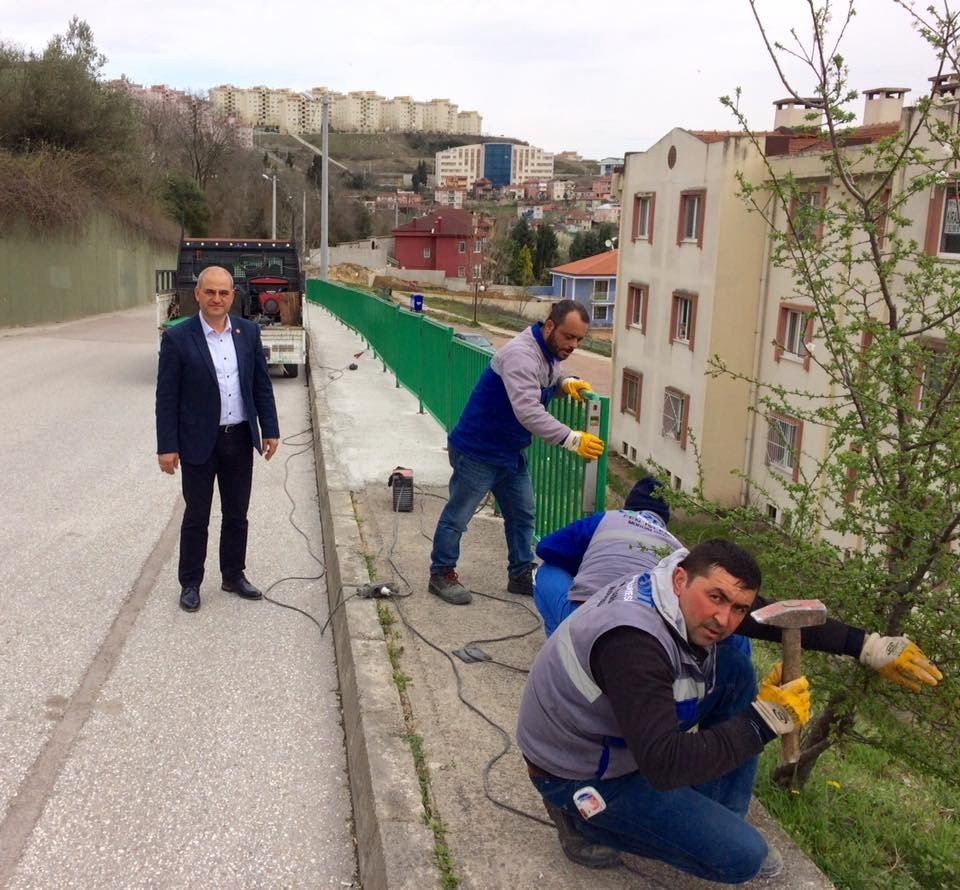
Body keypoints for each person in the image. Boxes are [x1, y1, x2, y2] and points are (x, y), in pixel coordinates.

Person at [517, 539, 944, 882]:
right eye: (716, 598)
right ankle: (581, 820)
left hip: (614, 736)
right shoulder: (635, 643)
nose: (724, 619)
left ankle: (718, 814)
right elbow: (664, 765)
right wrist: (764, 721)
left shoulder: (679, 585)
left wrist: (866, 645)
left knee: (735, 667)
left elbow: (780, 616)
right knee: (742, 859)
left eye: (738, 607)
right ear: (683, 580)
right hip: (577, 770)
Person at [428, 299, 603, 605]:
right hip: (478, 450)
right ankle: (441, 573)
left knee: (522, 513)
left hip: (509, 450)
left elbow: (543, 383)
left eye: (579, 339)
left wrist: (565, 383)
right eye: (568, 337)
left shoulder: (548, 351)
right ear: (549, 326)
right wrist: (572, 439)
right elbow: (528, 411)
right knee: (459, 515)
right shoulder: (522, 355)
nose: (573, 345)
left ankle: (520, 573)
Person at [156, 265, 280, 613]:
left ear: (232, 296)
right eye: (210, 292)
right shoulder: (179, 338)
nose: (217, 299)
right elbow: (166, 398)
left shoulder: (248, 332)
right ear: (197, 294)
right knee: (197, 514)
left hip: (239, 438)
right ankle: (191, 583)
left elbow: (260, 386)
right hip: (198, 440)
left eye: (223, 293)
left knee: (237, 513)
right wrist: (167, 446)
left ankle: (233, 575)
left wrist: (270, 428)